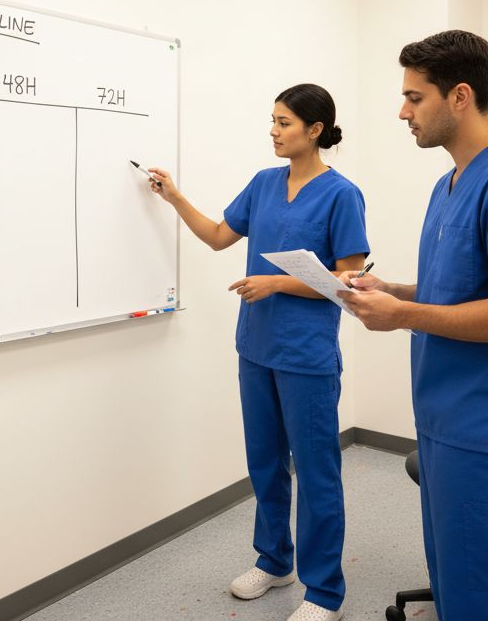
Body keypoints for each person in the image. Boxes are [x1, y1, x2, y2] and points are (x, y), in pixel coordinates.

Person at [338, 30, 488, 620]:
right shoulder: (449, 184)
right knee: (456, 586)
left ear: (459, 96)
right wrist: (392, 290)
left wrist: (403, 316)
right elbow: (459, 290)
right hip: (445, 418)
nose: (402, 111)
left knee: (481, 601)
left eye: (415, 98)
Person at [147, 83, 368, 621]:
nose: (273, 130)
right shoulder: (264, 184)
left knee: (316, 472)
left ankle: (324, 592)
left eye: (284, 122)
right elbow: (221, 236)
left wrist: (276, 284)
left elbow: (352, 279)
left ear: (314, 131)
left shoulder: (342, 194)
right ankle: (274, 561)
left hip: (307, 355)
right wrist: (174, 197)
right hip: (257, 347)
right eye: (272, 120)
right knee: (265, 463)